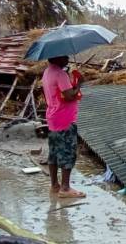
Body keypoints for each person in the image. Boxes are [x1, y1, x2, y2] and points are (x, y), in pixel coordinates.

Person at [42, 55, 86, 198]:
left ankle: (55, 185)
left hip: (53, 117)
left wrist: (72, 84)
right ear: (57, 58)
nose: (67, 58)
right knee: (67, 152)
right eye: (64, 56)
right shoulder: (60, 74)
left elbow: (61, 93)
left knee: (54, 152)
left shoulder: (48, 72)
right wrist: (79, 84)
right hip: (65, 119)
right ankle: (65, 188)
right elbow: (69, 96)